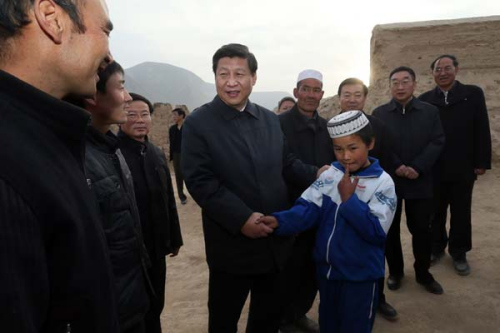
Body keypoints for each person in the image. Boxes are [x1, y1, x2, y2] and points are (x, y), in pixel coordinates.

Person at [181, 43, 319, 333]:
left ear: (253, 78)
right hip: (232, 246)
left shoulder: (270, 119)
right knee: (224, 319)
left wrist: (317, 174)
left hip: (275, 241)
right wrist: (241, 218)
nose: (231, 82)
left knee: (267, 318)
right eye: (223, 74)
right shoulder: (199, 123)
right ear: (215, 77)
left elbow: (286, 163)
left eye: (240, 74)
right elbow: (200, 181)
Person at [0, 0, 120, 331]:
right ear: (52, 19)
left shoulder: (48, 136)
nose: (109, 55)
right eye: (105, 30)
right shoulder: (10, 168)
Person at [260, 110, 397, 332]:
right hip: (328, 272)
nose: (345, 156)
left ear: (370, 143)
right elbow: (307, 208)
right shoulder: (330, 175)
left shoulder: (382, 183)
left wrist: (349, 200)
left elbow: (376, 232)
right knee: (329, 324)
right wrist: (278, 221)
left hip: (360, 277)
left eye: (353, 148)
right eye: (338, 149)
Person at [80, 62, 150, 333]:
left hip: (130, 300)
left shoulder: (111, 150)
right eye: (121, 87)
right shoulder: (78, 158)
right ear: (92, 96)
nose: (129, 97)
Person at [373, 66, 445, 295]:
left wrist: (417, 167)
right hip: (390, 183)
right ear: (390, 85)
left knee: (422, 230)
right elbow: (379, 145)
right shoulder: (380, 113)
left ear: (414, 84)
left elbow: (437, 141)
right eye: (395, 82)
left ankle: (423, 273)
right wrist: (397, 166)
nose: (400, 86)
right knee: (390, 230)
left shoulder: (429, 112)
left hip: (420, 181)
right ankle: (395, 272)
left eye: (405, 81)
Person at [419, 55, 492, 276]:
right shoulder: (425, 99)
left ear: (456, 69)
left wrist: (481, 162)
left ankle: (459, 252)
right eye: (438, 69)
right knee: (435, 211)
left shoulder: (473, 94)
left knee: (461, 212)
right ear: (432, 73)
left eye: (447, 68)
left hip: (463, 165)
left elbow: (482, 128)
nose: (442, 72)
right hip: (435, 167)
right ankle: (436, 247)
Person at [119, 93, 184, 333]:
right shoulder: (113, 154)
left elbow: (168, 199)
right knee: (133, 310)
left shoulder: (156, 154)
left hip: (156, 248)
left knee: (156, 304)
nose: (139, 120)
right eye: (131, 114)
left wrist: (174, 238)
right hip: (128, 252)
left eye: (144, 114)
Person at [278, 69, 334, 333]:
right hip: (290, 205)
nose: (311, 95)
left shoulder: (327, 127)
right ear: (296, 91)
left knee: (313, 264)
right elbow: (284, 162)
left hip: (320, 208)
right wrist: (314, 173)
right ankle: (282, 319)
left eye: (316, 90)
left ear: (322, 94)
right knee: (289, 265)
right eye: (306, 89)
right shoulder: (279, 124)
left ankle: (299, 312)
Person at [338, 77, 398, 321]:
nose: (352, 100)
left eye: (357, 95)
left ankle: (378, 298)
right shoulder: (330, 126)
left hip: (372, 196)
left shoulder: (377, 126)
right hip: (340, 195)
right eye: (347, 95)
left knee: (374, 248)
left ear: (365, 98)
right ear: (339, 97)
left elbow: (387, 160)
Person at [169, 108, 188, 204]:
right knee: (178, 176)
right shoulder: (172, 129)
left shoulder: (188, 127)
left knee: (188, 174)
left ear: (181, 116)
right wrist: (171, 156)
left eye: (175, 115)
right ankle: (181, 196)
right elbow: (171, 143)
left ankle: (195, 192)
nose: (173, 117)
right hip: (176, 154)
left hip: (187, 154)